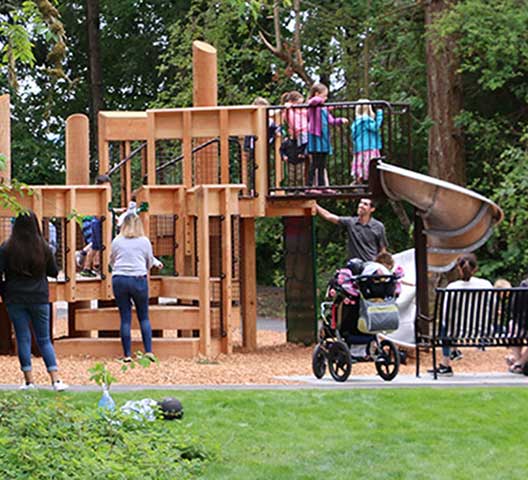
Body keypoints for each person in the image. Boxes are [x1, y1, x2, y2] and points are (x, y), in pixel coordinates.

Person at [0, 211, 68, 390]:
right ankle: (56, 380)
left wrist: (4, 293)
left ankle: (29, 381)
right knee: (44, 339)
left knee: (23, 338)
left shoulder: (7, 247)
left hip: (15, 297)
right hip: (39, 296)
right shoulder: (43, 247)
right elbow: (53, 271)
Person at [110, 213, 163, 362]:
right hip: (138, 278)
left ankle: (127, 354)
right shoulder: (144, 241)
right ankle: (148, 351)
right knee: (144, 316)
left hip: (119, 278)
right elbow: (148, 260)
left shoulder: (117, 241)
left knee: (125, 317)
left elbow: (112, 260)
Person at [428, 254, 492, 377]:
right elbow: (492, 307)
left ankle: (446, 364)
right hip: (482, 331)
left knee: (445, 327)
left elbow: (447, 314)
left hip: (459, 331)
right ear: (476, 269)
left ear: (459, 268)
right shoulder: (486, 285)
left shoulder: (453, 287)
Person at [316, 198, 387, 262]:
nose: (361, 205)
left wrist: (382, 266)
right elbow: (329, 216)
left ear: (372, 209)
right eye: (360, 202)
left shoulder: (378, 226)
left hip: (370, 266)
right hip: (354, 265)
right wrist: (315, 205)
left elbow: (382, 250)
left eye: (365, 204)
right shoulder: (351, 222)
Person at [307, 83, 348, 188]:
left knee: (322, 164)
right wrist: (323, 102)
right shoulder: (313, 106)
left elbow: (331, 120)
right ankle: (309, 185)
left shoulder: (323, 109)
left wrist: (340, 120)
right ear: (317, 94)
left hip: (323, 138)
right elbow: (312, 101)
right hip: (315, 137)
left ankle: (322, 186)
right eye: (324, 96)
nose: (326, 98)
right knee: (315, 163)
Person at [81, 174, 111, 277]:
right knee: (97, 246)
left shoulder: (103, 195)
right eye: (105, 187)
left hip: (97, 222)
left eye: (108, 187)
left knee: (95, 246)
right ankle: (93, 267)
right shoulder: (98, 195)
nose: (107, 190)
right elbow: (98, 213)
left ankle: (87, 267)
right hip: (97, 223)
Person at [351, 100, 383, 184]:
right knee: (371, 168)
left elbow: (353, 135)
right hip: (370, 147)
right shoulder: (366, 120)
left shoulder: (356, 122)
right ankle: (370, 186)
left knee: (360, 168)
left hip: (359, 149)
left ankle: (359, 184)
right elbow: (375, 127)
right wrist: (379, 114)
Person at [280, 91, 308, 187]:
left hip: (303, 131)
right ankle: (292, 189)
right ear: (293, 102)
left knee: (301, 171)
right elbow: (286, 116)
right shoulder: (290, 110)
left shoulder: (301, 110)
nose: (301, 106)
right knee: (292, 174)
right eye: (299, 103)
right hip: (299, 132)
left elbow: (308, 112)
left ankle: (302, 187)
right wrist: (287, 107)